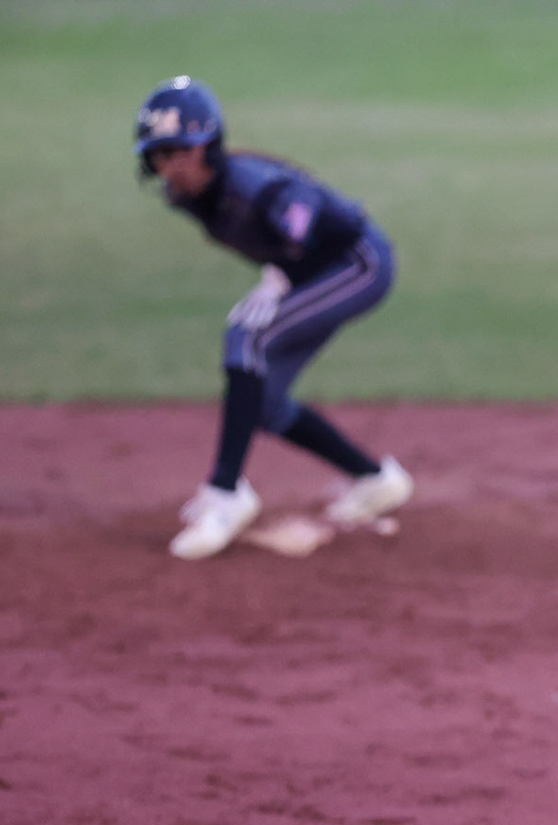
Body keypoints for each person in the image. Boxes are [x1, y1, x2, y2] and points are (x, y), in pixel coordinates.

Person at [133, 76, 413, 560]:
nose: (170, 166)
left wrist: (281, 275)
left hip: (359, 265)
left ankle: (226, 493)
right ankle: (376, 480)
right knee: (262, 400)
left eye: (180, 150)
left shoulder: (258, 188)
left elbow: (309, 219)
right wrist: (282, 272)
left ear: (207, 145)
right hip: (315, 274)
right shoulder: (185, 197)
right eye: (159, 155)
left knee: (246, 336)